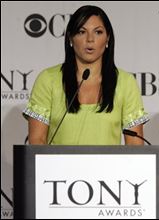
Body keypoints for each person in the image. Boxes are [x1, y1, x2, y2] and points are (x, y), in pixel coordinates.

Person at [23, 5, 149, 145]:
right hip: (59, 167)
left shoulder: (125, 82)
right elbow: (37, 141)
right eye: (82, 32)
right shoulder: (48, 79)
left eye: (98, 32)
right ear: (70, 38)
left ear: (107, 38)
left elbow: (134, 145)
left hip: (109, 167)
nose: (90, 39)